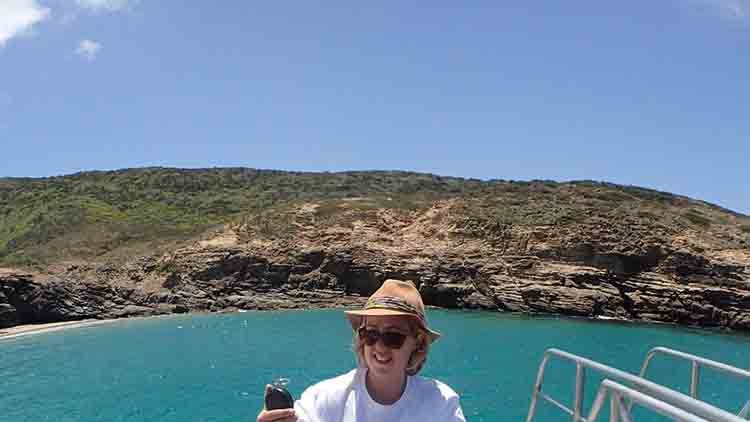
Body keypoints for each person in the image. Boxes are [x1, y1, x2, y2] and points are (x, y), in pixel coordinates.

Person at [257, 279, 466, 422]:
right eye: (371, 334)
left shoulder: (441, 403)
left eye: (393, 336)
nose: (380, 346)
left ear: (418, 343)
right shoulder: (323, 399)